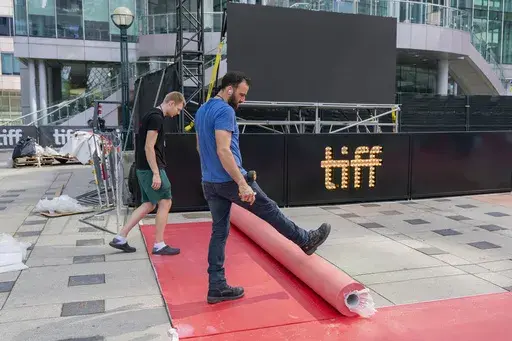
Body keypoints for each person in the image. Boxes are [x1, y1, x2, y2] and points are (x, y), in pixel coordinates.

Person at [194, 71, 331, 304]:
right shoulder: (224, 111)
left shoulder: (201, 110)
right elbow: (223, 150)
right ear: (229, 89)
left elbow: (200, 148)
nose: (243, 100)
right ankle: (305, 240)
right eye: (241, 94)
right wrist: (241, 183)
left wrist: (213, 174)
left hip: (210, 182)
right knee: (270, 210)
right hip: (230, 180)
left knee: (219, 232)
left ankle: (216, 286)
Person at [109, 91, 185, 256]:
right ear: (171, 103)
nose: (177, 113)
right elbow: (149, 147)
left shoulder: (151, 115)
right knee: (165, 202)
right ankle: (159, 244)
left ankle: (120, 237)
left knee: (149, 204)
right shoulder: (156, 118)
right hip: (151, 168)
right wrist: (156, 173)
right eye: (178, 109)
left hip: (143, 167)